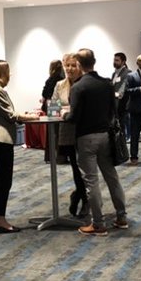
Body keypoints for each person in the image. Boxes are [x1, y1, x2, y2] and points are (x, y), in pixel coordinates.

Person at [63, 48, 128, 236]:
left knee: (91, 181)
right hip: (106, 136)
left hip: (86, 138)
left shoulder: (78, 87)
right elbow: (113, 111)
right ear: (95, 61)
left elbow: (74, 116)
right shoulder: (107, 84)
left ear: (78, 64)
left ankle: (98, 224)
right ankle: (121, 217)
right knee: (112, 177)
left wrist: (65, 115)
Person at [0, 60, 26, 233]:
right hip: (1, 139)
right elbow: (11, 114)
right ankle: (0, 219)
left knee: (0, 179)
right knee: (4, 180)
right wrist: (30, 117)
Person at [53, 53, 89, 220]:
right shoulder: (59, 85)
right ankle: (81, 195)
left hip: (84, 130)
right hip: (66, 131)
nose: (70, 69)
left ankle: (83, 199)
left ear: (79, 66)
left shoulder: (85, 83)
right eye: (67, 65)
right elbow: (53, 108)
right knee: (75, 168)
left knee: (86, 168)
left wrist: (67, 109)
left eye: (73, 65)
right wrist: (63, 110)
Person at [111, 51, 130, 137]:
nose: (114, 62)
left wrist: (118, 94)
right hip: (115, 105)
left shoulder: (128, 72)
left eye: (117, 60)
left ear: (123, 62)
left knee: (123, 126)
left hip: (123, 104)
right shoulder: (114, 74)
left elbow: (124, 86)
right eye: (114, 60)